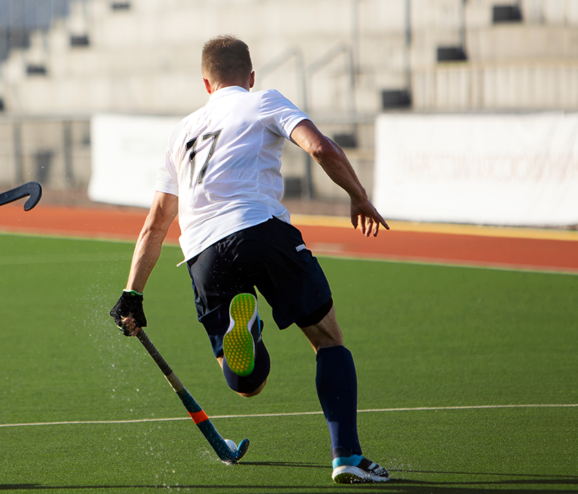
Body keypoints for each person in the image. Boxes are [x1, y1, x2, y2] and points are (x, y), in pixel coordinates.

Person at [110, 35, 391, 484]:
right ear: (252, 76)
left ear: (206, 84)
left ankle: (247, 330)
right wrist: (358, 196)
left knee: (247, 385)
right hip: (260, 229)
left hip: (202, 252)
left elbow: (155, 225)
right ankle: (347, 456)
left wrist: (133, 294)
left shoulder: (182, 132)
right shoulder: (264, 101)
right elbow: (320, 147)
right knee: (328, 340)